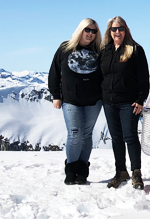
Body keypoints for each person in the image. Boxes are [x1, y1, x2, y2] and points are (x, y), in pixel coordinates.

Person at [48, 18, 103, 185]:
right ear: (80, 30)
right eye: (88, 30)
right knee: (74, 133)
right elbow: (54, 72)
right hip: (71, 100)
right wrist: (56, 95)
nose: (91, 34)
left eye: (94, 31)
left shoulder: (99, 51)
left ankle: (82, 173)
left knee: (86, 135)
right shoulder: (65, 48)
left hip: (94, 100)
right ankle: (71, 171)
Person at [100, 16, 150, 190]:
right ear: (109, 32)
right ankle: (120, 172)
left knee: (130, 137)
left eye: (120, 28)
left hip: (129, 102)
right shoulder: (105, 51)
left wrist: (140, 99)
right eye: (114, 29)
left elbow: (143, 78)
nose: (117, 32)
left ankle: (136, 173)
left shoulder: (136, 50)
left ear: (126, 30)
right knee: (116, 139)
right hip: (109, 102)